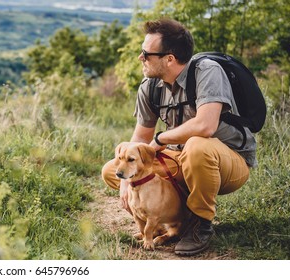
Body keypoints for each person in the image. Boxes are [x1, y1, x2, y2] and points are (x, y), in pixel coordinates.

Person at [101, 18, 257, 256]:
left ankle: (199, 224)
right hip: (181, 160)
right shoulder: (150, 86)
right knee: (112, 170)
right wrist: (125, 180)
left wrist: (161, 139)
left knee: (197, 146)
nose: (140, 57)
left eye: (146, 53)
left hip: (227, 162)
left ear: (169, 59)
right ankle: (171, 217)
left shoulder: (207, 72)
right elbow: (140, 139)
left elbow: (206, 125)